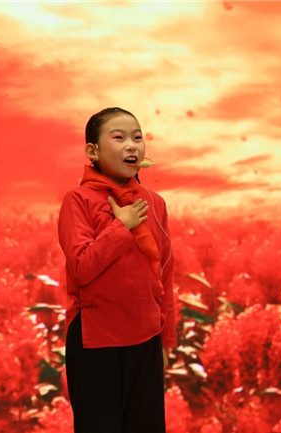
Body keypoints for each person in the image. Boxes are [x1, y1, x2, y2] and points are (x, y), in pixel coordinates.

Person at [58, 107, 176, 433]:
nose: (132, 146)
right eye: (119, 138)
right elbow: (81, 267)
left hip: (146, 338)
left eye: (137, 138)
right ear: (92, 151)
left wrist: (166, 341)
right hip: (96, 342)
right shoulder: (77, 201)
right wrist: (122, 226)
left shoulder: (155, 203)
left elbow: (164, 276)